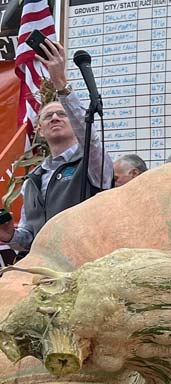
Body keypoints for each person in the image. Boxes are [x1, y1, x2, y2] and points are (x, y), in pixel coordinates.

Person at [0, 38, 113, 252]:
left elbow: (89, 135)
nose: (55, 118)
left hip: (83, 265)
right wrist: (10, 236)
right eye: (48, 116)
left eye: (62, 114)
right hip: (43, 270)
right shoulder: (31, 180)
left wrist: (61, 83)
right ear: (40, 130)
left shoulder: (91, 162)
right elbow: (29, 238)